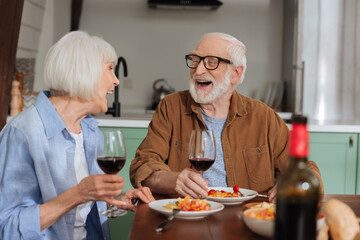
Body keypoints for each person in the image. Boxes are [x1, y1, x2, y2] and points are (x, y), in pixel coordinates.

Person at [129, 32, 323, 202]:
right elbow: (143, 165)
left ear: (235, 74)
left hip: (247, 220)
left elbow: (306, 170)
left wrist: (293, 185)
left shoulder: (263, 117)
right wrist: (174, 180)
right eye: (195, 60)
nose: (198, 70)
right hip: (185, 218)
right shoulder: (171, 108)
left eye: (211, 62)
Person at [0, 31, 155, 240]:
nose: (116, 81)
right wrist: (79, 193)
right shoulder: (23, 133)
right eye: (110, 68)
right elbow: (7, 227)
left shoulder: (90, 131)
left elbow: (79, 212)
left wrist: (114, 200)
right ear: (84, 71)